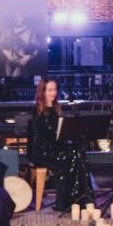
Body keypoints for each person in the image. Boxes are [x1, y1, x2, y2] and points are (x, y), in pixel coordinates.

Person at [29, 77, 92, 212]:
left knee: (79, 152)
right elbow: (43, 136)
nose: (53, 93)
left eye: (55, 89)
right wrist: (59, 132)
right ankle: (64, 202)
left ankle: (81, 199)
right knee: (67, 159)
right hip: (42, 151)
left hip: (56, 147)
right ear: (43, 91)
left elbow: (59, 134)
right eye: (50, 90)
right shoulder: (37, 110)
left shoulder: (57, 108)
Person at [0, 10, 41, 77]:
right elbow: (0, 45)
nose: (18, 19)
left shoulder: (30, 32)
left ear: (24, 18)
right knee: (9, 82)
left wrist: (28, 57)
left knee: (16, 80)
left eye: (20, 17)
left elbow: (37, 48)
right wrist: (5, 52)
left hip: (22, 64)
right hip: (9, 63)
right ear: (13, 18)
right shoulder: (7, 31)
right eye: (16, 17)